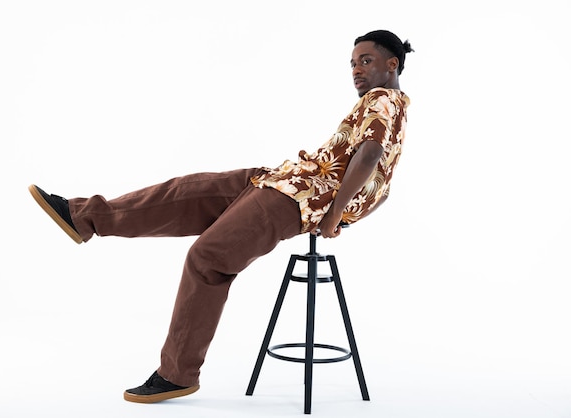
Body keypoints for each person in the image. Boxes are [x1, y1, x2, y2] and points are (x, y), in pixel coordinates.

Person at [28, 29, 413, 404]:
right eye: (352, 64)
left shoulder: (382, 100)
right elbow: (384, 188)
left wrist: (333, 216)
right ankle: (83, 217)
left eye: (366, 61)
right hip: (282, 180)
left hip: (296, 198)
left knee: (207, 258)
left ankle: (176, 375)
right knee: (188, 192)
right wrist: (346, 215)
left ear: (391, 64)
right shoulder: (395, 112)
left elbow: (369, 156)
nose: (356, 70)